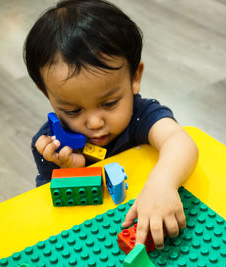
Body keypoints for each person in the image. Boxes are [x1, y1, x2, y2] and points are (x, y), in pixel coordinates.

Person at [24, 0, 198, 249]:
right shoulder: (51, 145)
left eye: (110, 103)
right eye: (73, 110)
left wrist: (163, 182)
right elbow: (56, 215)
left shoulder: (140, 115)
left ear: (135, 77)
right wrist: (71, 169)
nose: (95, 123)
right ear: (46, 93)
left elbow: (180, 142)